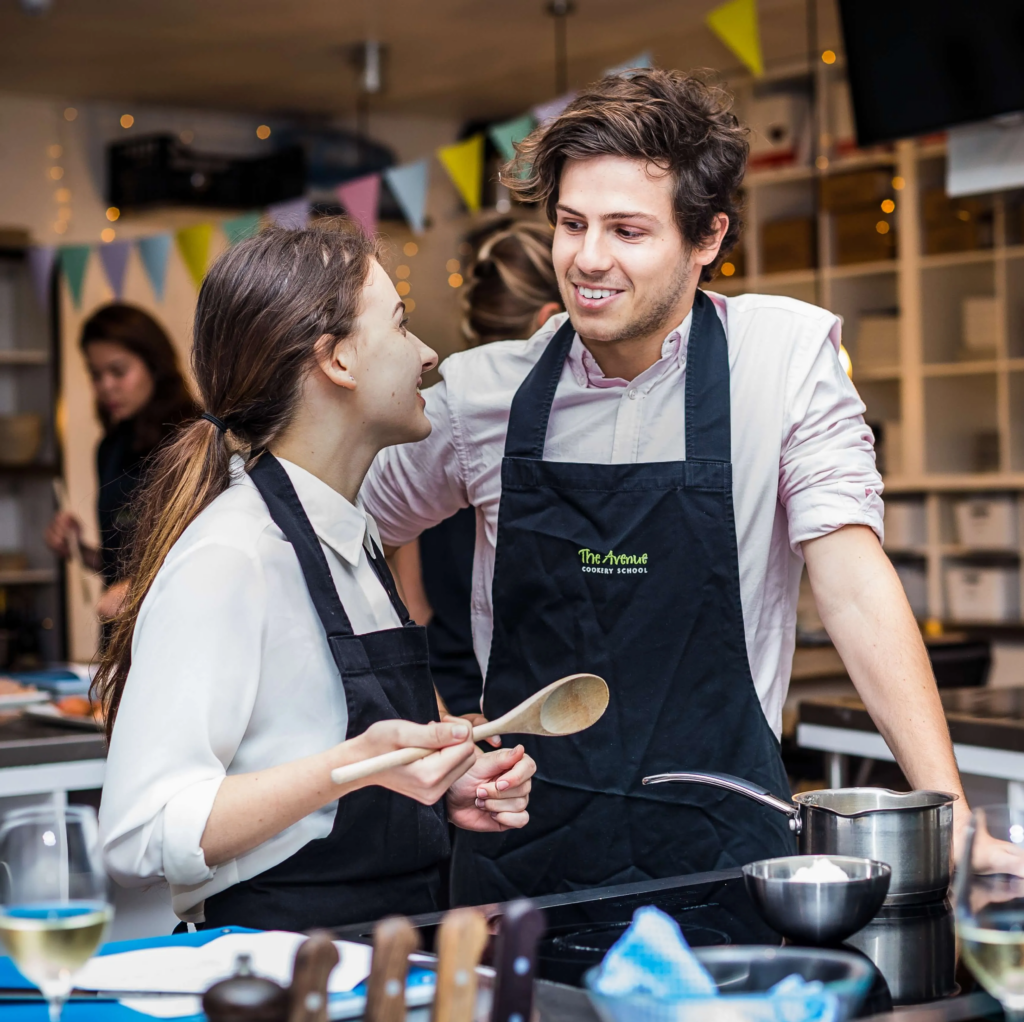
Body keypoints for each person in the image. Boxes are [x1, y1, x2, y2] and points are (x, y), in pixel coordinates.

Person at [361, 68, 1020, 906]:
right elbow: (347, 536)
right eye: (571, 224)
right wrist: (437, 729)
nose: (587, 260)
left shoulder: (784, 361)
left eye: (627, 231)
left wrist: (950, 805)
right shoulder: (483, 392)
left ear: (707, 238)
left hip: (721, 852)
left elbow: (852, 581)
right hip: (520, 855)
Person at [96, 220, 536, 930]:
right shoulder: (232, 556)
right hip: (286, 970)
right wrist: (355, 766)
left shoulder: (353, 536)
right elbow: (140, 834)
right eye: (400, 325)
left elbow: (324, 771)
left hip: (389, 957)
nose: (427, 355)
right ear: (336, 360)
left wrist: (440, 786)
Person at [393, 219, 562, 717]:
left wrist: (438, 713)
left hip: (453, 696)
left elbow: (412, 605)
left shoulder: (440, 422)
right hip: (493, 711)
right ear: (549, 318)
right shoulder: (462, 425)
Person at [44, 305, 197, 622]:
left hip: (174, 629)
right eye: (96, 375)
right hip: (120, 637)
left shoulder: (193, 441)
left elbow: (203, 556)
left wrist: (136, 587)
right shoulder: (110, 448)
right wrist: (81, 550)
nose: (105, 386)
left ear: (154, 365)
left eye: (118, 371)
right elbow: (121, 563)